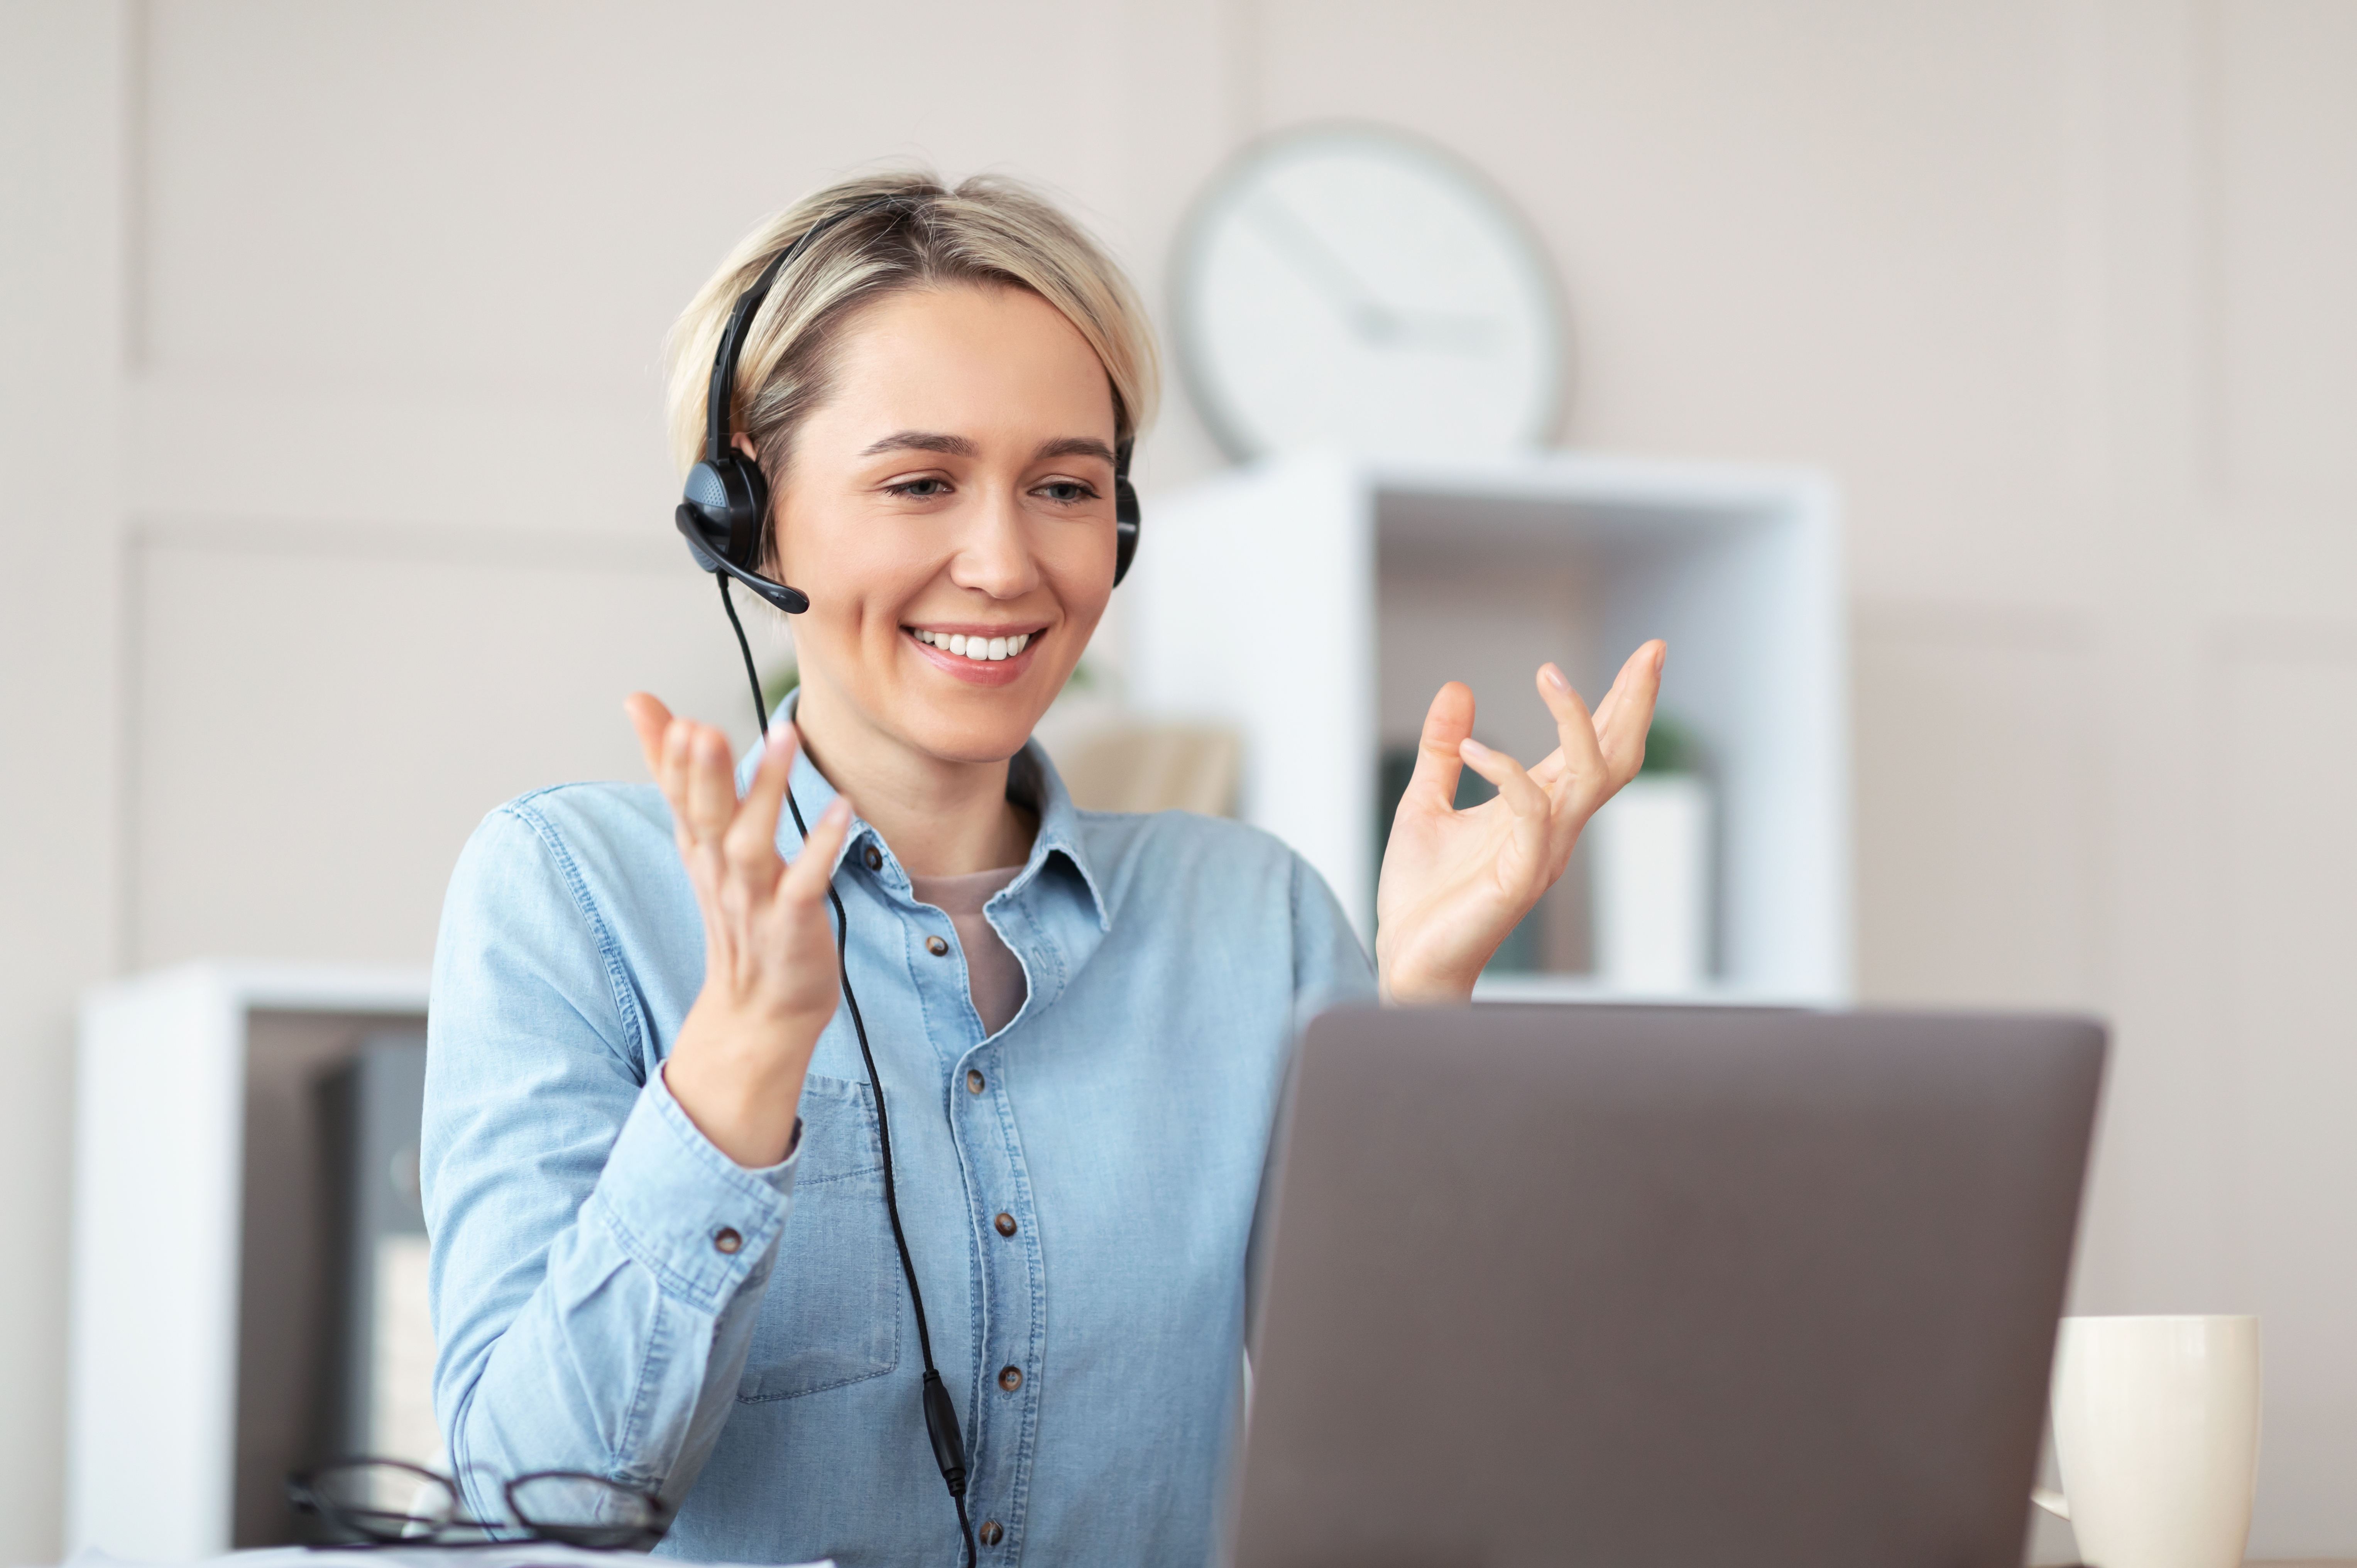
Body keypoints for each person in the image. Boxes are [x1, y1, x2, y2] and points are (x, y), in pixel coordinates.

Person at [421, 169, 1663, 1568]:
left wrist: (1425, 1012)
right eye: (920, 483)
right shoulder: (571, 891)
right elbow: (535, 1512)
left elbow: (1420, 1458)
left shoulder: (1248, 916)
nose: (1007, 564)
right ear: (746, 514)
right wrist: (738, 1072)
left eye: (1065, 487)